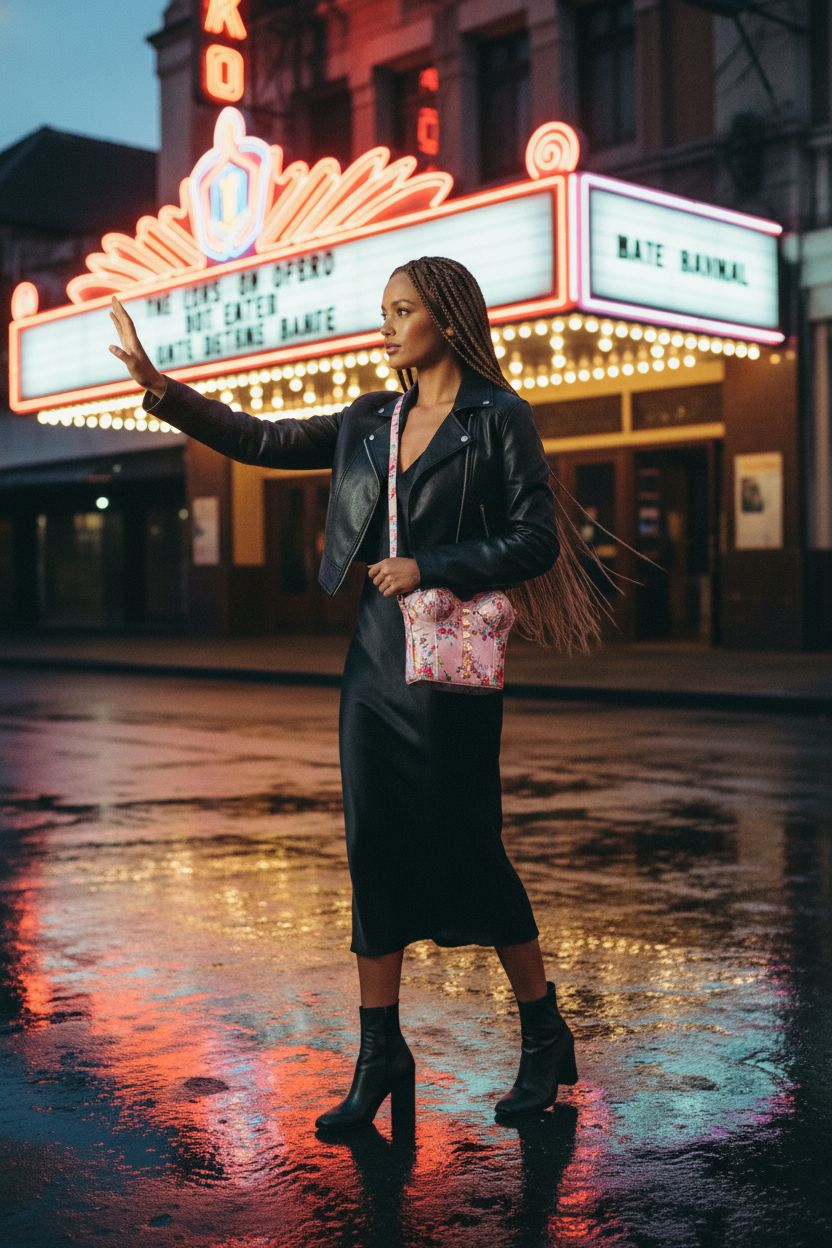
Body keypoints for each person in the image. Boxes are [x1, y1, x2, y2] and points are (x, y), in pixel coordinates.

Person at [108, 255, 594, 1134]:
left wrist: (429, 564)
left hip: (447, 670)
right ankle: (380, 1056)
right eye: (384, 310)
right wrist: (161, 390)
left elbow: (536, 541)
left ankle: (542, 1031)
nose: (386, 324)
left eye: (402, 309)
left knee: (469, 847)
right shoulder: (371, 418)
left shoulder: (500, 418)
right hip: (374, 663)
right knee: (373, 849)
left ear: (447, 318)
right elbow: (261, 440)